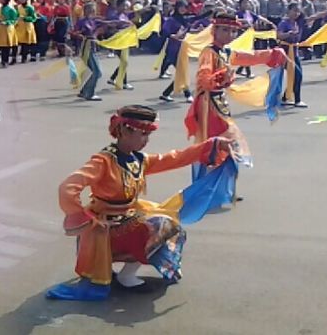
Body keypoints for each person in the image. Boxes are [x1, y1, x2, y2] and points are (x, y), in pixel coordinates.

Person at [45, 105, 235, 301]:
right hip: (105, 226)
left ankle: (125, 273)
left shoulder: (139, 159)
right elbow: (67, 187)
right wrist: (85, 219)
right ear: (125, 131)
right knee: (161, 225)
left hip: (127, 217)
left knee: (168, 221)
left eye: (147, 135)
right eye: (142, 134)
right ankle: (122, 275)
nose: (146, 140)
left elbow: (174, 158)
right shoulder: (103, 161)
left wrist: (212, 145)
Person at [184, 10, 287, 188]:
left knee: (223, 143)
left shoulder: (225, 52)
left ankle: (221, 185)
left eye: (232, 31)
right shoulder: (209, 53)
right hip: (209, 105)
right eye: (224, 30)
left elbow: (246, 57)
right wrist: (222, 78)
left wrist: (271, 54)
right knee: (220, 143)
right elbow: (203, 78)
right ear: (214, 31)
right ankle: (211, 185)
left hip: (219, 103)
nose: (229, 34)